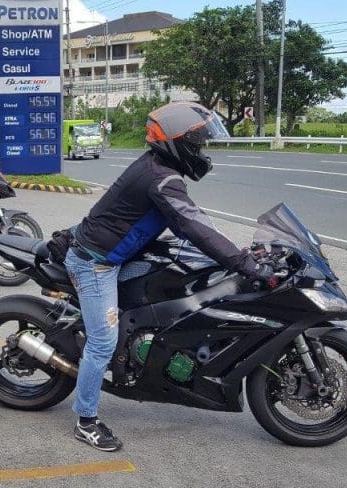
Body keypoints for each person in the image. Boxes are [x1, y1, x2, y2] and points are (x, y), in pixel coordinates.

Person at [64, 102, 272, 451]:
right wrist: (246, 266)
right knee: (103, 341)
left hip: (121, 254)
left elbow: (193, 220)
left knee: (172, 284)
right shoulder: (160, 179)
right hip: (95, 263)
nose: (201, 150)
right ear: (177, 143)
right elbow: (192, 225)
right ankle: (86, 420)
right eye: (197, 143)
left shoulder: (161, 170)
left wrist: (242, 253)